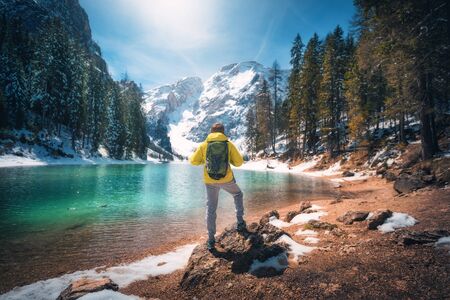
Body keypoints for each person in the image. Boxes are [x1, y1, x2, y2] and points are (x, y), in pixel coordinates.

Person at [189, 122, 246, 250]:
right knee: (237, 194)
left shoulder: (204, 145)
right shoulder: (228, 144)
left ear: (211, 132)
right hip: (226, 179)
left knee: (211, 208)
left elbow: (193, 161)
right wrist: (228, 159)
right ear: (223, 132)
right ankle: (240, 222)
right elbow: (239, 162)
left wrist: (203, 159)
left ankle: (210, 239)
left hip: (209, 181)